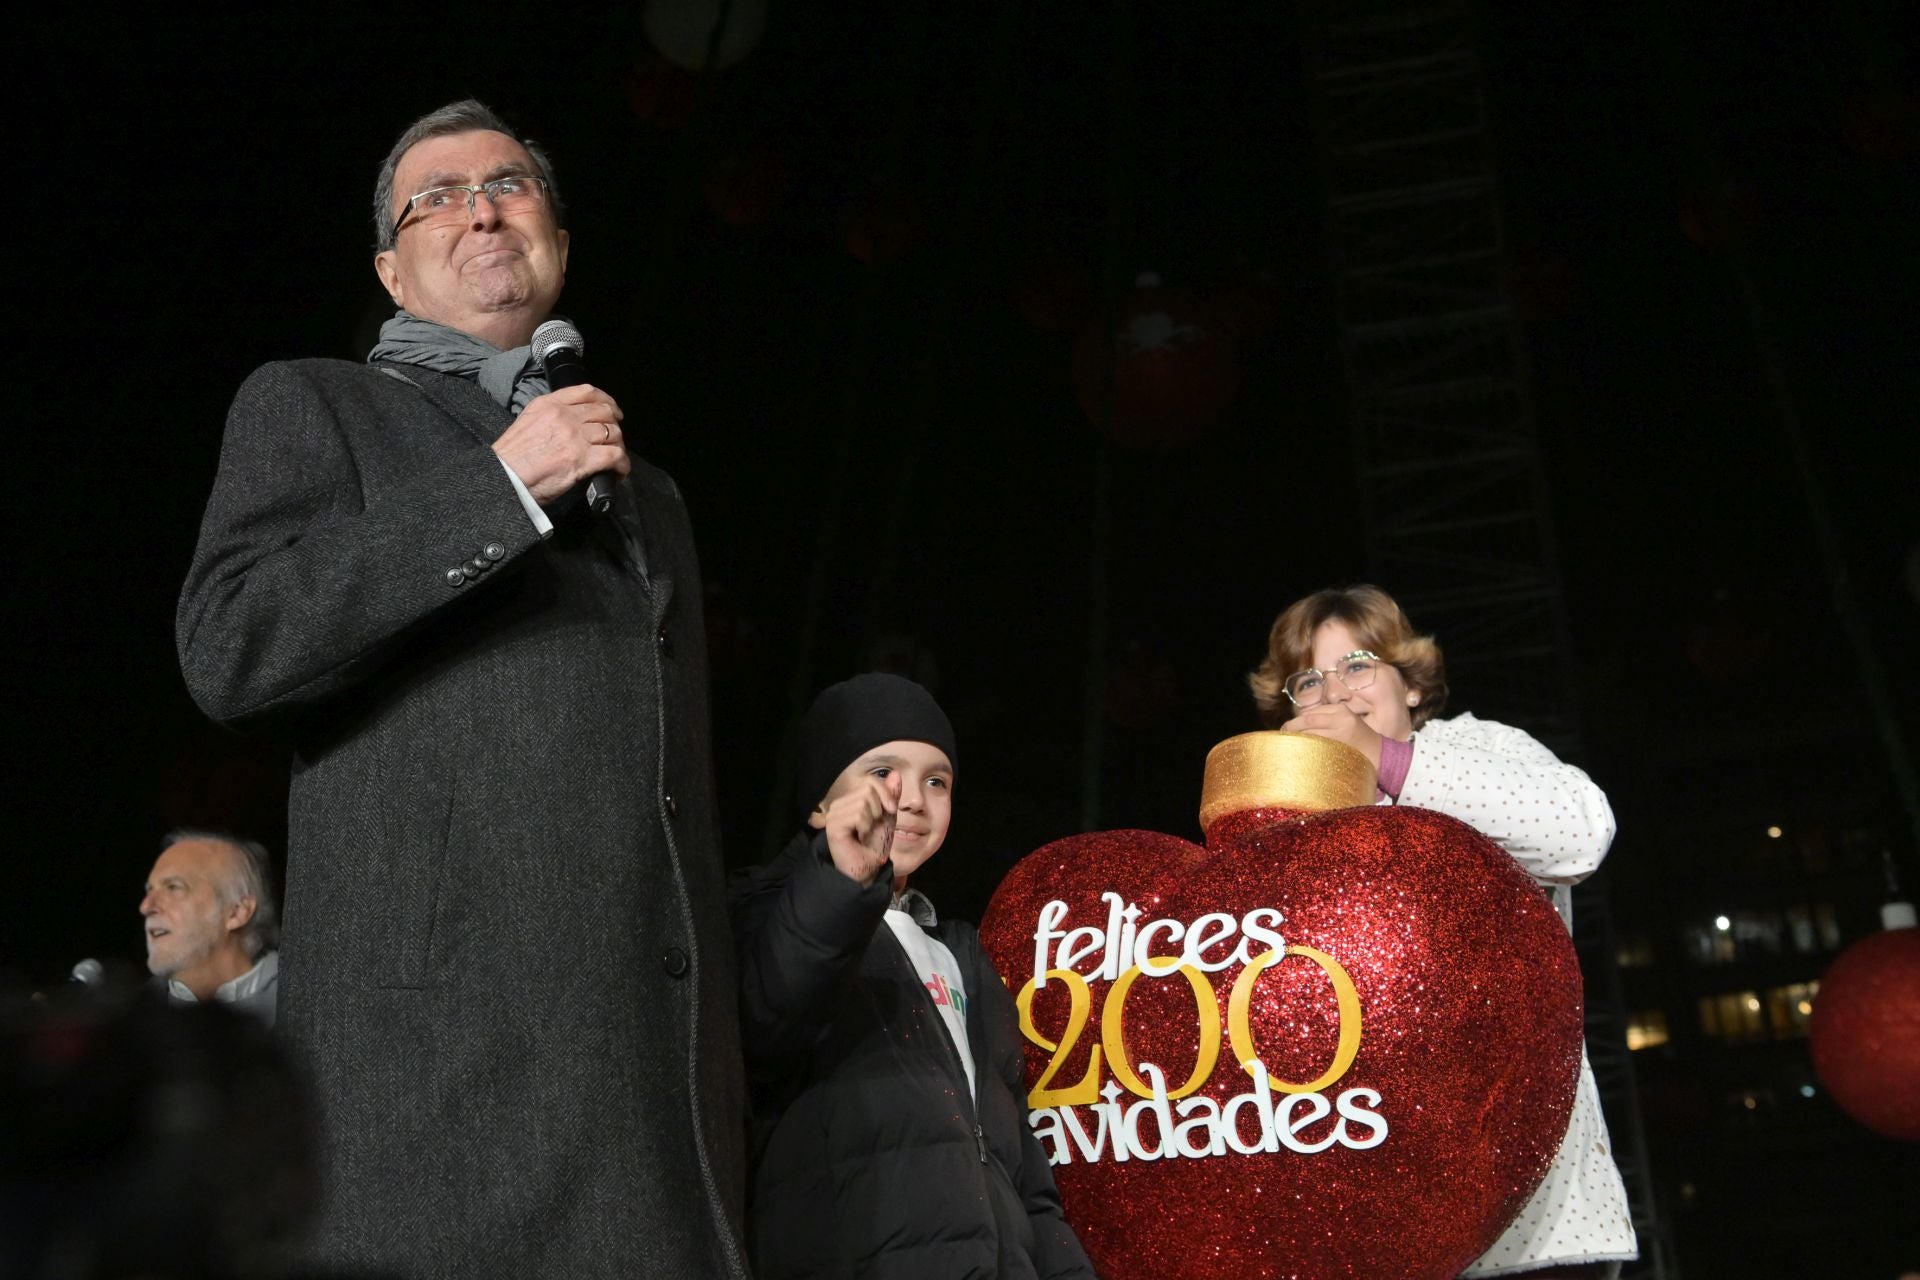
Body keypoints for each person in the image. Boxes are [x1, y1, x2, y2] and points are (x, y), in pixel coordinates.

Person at [176, 100, 746, 1278]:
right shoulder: (317, 404)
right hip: (440, 1104)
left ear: (559, 239)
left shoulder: (655, 493)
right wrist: (501, 488)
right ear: (391, 268)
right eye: (435, 196)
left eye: (510, 185)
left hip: (647, 1105)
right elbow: (231, 644)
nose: (481, 207)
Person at [1250, 584, 1638, 1280]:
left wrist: (1383, 759)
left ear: (1414, 688)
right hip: (1377, 1226)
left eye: (1359, 665)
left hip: (1533, 1227)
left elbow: (1580, 833)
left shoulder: (1481, 749)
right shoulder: (1288, 821)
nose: (1335, 692)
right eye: (1309, 678)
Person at [730, 673, 1096, 1280]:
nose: (912, 798)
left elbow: (1021, 1166)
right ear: (821, 802)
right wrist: (839, 884)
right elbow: (772, 1016)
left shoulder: (961, 954)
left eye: (937, 780)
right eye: (882, 773)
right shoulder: (775, 912)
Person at [140, 829, 280, 1026]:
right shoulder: (130, 1019)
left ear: (237, 912)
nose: (146, 906)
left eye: (173, 887)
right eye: (150, 890)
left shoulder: (312, 1000)